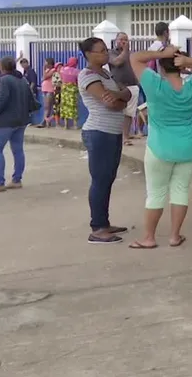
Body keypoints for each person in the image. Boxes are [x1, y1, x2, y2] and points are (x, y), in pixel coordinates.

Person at [126, 45, 192, 249]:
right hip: (188, 148)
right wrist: (188, 61)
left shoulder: (155, 84)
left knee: (156, 194)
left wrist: (162, 54)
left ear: (160, 66)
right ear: (180, 66)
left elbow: (134, 58)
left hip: (160, 149)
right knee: (180, 191)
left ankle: (149, 237)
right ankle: (175, 236)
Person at [78, 38, 132, 244]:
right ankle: (97, 227)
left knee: (108, 178)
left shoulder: (106, 74)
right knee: (100, 179)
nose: (105, 54)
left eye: (105, 50)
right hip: (98, 132)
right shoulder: (87, 75)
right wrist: (119, 98)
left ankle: (104, 222)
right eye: (100, 51)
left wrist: (117, 95)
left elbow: (126, 94)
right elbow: (111, 104)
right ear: (88, 54)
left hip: (112, 132)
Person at [0, 56, 35, 194]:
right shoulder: (21, 79)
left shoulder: (5, 80)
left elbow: (2, 99)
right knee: (18, 149)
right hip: (21, 120)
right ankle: (16, 179)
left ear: (2, 67)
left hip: (7, 120)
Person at [108, 32, 141, 145]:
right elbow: (117, 62)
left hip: (132, 86)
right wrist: (125, 50)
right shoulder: (111, 53)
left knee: (129, 113)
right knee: (119, 112)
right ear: (116, 40)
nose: (123, 42)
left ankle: (126, 135)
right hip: (119, 87)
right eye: (121, 39)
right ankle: (121, 137)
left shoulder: (131, 54)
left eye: (125, 40)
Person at [59, 57, 80, 130]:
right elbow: (78, 82)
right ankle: (75, 125)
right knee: (73, 106)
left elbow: (61, 79)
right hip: (73, 90)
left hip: (64, 89)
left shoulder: (63, 69)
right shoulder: (77, 71)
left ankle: (66, 125)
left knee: (64, 106)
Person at [36, 58, 57, 128]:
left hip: (50, 90)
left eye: (46, 63)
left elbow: (45, 77)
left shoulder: (53, 70)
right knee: (46, 106)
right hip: (44, 89)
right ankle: (46, 121)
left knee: (48, 106)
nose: (45, 64)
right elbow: (43, 78)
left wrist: (43, 68)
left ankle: (44, 121)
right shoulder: (47, 70)